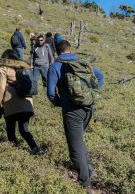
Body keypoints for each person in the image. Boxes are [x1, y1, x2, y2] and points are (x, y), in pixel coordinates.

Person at [47, 40, 104, 188]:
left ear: (56, 53)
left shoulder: (55, 66)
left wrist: (62, 103)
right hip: (89, 108)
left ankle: (85, 184)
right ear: (70, 49)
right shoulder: (82, 63)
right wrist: (91, 94)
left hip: (72, 111)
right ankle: (90, 169)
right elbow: (101, 76)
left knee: (75, 149)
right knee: (79, 141)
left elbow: (51, 93)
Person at [0, 49, 41, 155]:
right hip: (27, 103)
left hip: (11, 104)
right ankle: (35, 149)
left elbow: (0, 89)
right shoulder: (25, 67)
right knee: (24, 130)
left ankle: (14, 154)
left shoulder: (3, 68)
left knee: (11, 131)